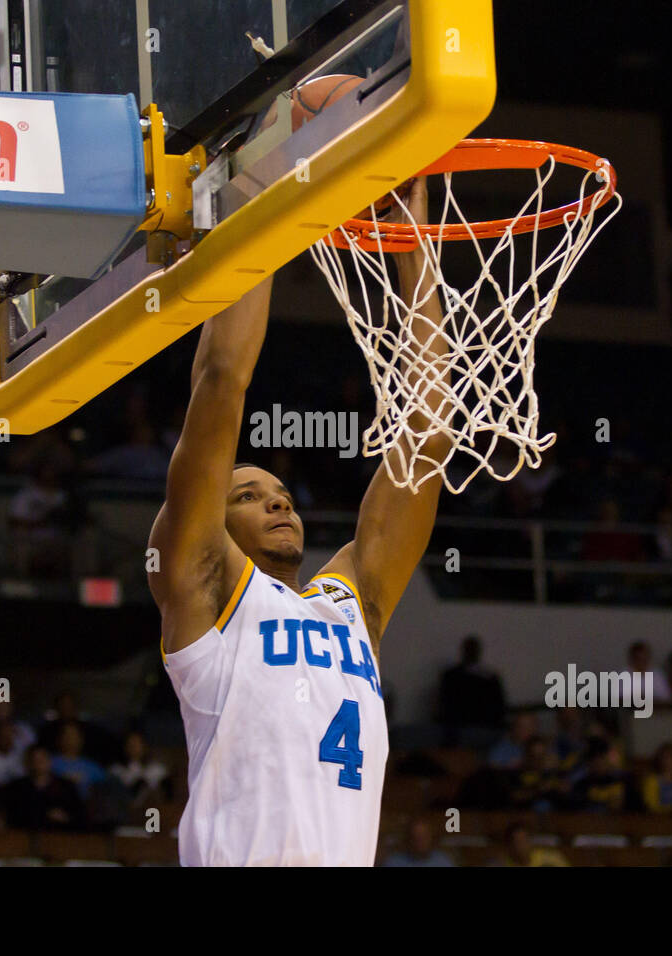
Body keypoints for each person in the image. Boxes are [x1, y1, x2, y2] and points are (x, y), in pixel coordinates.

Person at [149, 179, 451, 866]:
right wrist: (259, 213)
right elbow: (222, 381)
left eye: (280, 492)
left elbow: (427, 440)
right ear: (210, 525)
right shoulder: (205, 593)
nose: (278, 502)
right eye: (249, 495)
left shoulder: (351, 605)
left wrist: (410, 244)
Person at [437, 635, 507, 739]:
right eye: (469, 649)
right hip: (457, 728)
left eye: (473, 649)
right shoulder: (451, 676)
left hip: (484, 726)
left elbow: (498, 705)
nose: (471, 652)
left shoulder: (490, 678)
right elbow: (445, 702)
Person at [381, 817, 455, 867]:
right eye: (416, 837)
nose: (421, 842)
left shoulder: (442, 861)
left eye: (424, 837)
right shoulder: (394, 862)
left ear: (432, 838)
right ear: (409, 839)